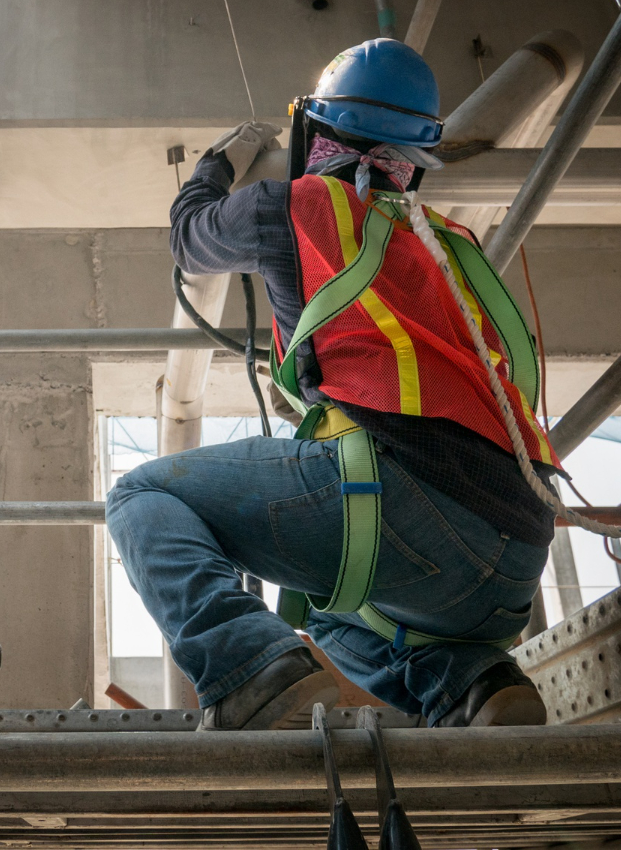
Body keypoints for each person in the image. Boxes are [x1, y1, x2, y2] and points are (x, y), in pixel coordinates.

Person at [105, 38, 562, 730]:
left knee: (141, 495)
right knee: (340, 626)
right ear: (417, 159)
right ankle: (476, 685)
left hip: (403, 497)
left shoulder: (293, 205)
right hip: (515, 556)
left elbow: (190, 236)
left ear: (314, 131)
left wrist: (216, 164)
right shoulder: (449, 242)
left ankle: (250, 669)